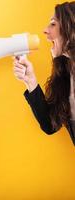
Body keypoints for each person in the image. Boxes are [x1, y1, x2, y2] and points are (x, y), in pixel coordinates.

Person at [13, 1, 75, 145]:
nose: (45, 30)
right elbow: (50, 125)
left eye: (53, 24)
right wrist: (31, 81)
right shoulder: (67, 74)